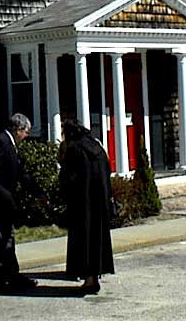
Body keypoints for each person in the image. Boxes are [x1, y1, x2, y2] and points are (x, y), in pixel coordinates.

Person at [0, 112, 39, 292]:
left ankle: (12, 276)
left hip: (6, 201)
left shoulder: (11, 144)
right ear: (17, 129)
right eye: (26, 132)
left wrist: (37, 193)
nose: (26, 136)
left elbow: (21, 172)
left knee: (7, 238)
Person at [59, 120, 115, 294]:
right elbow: (107, 171)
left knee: (84, 242)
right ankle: (95, 277)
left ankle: (89, 280)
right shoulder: (97, 147)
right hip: (100, 202)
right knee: (98, 240)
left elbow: (68, 178)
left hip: (82, 204)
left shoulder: (74, 149)